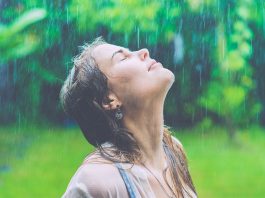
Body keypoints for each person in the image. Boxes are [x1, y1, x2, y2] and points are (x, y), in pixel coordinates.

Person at [60, 37, 197, 198]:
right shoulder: (96, 181)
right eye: (123, 57)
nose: (144, 52)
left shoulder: (173, 151)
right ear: (109, 99)